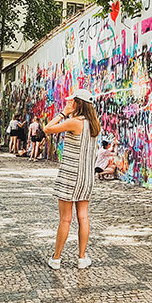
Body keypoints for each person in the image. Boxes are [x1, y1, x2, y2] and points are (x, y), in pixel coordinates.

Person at [44, 89, 100, 269]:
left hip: (70, 176)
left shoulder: (74, 122)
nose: (68, 103)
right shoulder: (94, 124)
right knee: (83, 217)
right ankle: (82, 258)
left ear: (77, 103)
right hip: (86, 177)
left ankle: (57, 258)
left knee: (65, 219)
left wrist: (62, 113)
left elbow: (47, 128)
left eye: (71, 102)